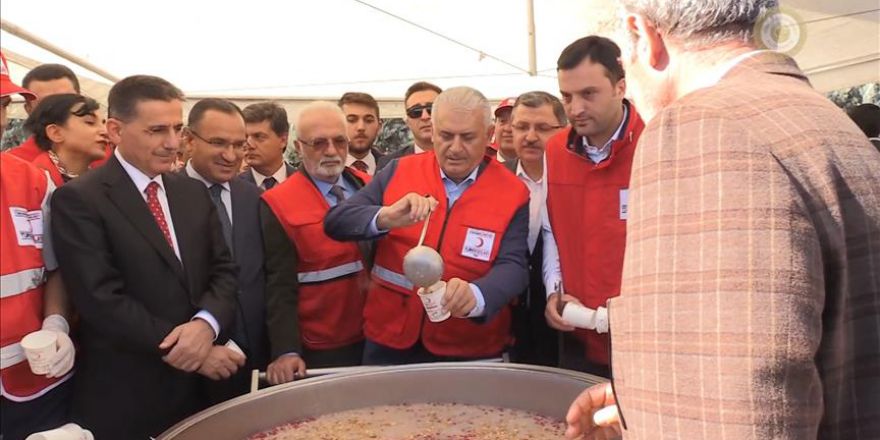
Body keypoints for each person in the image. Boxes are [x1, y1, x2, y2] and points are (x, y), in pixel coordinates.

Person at [565, 1, 880, 439]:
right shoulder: (822, 118)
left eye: (621, 58)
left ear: (641, 36)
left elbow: (742, 415)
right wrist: (649, 401)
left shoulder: (703, 126)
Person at [50, 75, 238, 439]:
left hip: (204, 396)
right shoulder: (80, 199)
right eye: (156, 130)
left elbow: (225, 271)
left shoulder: (192, 192)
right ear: (116, 131)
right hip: (129, 395)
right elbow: (100, 299)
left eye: (177, 128)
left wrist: (205, 325)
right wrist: (193, 352)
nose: (172, 143)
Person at [325, 86, 530, 365]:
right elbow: (337, 222)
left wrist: (478, 295)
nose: (455, 148)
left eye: (468, 137)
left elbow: (514, 265)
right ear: (432, 131)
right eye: (445, 136)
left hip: (467, 347)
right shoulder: (399, 170)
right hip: (389, 340)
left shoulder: (513, 192)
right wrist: (384, 217)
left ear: (489, 134)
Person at [542, 36, 645, 377]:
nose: (574, 109)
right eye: (566, 97)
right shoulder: (555, 151)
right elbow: (551, 231)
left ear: (620, 86)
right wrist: (554, 292)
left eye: (588, 94)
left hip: (645, 340)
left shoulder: (657, 142)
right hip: (578, 335)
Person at [261, 101, 372, 383]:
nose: (332, 151)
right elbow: (278, 286)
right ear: (298, 148)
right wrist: (286, 349)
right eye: (319, 143)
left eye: (339, 141)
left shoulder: (369, 186)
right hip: (324, 346)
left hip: (377, 335)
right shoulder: (277, 203)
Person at [0, 58, 76, 440]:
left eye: (0, 106)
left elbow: (55, 267)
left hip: (33, 376)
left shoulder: (32, 181)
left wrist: (56, 322)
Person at [182, 98, 268, 402]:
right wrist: (201, 346)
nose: (231, 155)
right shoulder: (165, 197)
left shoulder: (253, 196)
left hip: (257, 359)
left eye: (238, 144)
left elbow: (272, 274)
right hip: (195, 363)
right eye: (218, 143)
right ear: (188, 140)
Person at [503, 91, 567, 367]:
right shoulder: (494, 180)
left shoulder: (574, 180)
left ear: (564, 131)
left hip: (563, 317)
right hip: (508, 317)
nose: (530, 136)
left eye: (542, 128)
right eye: (522, 127)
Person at [25, 94, 108, 186]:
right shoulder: (32, 183)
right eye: (90, 122)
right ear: (56, 133)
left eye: (104, 123)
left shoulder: (104, 180)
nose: (105, 132)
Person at [3, 63, 80, 158]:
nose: (59, 109)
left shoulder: (100, 153)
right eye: (46, 104)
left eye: (67, 100)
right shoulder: (13, 165)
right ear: (29, 109)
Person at [376, 81, 442, 170]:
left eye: (432, 109)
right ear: (407, 121)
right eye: (416, 112)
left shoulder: (464, 159)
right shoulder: (389, 165)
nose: (425, 116)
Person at [240, 102, 295, 190]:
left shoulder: (306, 184)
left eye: (259, 137)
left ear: (283, 140)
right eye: (245, 137)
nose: (249, 144)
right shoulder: (232, 189)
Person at [339, 92, 385, 175]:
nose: (361, 127)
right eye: (351, 120)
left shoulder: (393, 169)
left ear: (379, 126)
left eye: (368, 120)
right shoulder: (321, 171)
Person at [492, 97, 517, 162]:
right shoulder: (479, 167)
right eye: (502, 121)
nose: (508, 129)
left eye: (515, 122)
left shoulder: (541, 168)